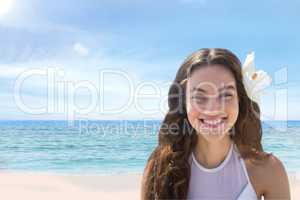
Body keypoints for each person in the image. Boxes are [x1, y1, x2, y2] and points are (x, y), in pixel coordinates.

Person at [141, 48, 290, 200]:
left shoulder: (268, 170)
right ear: (183, 102)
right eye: (199, 96)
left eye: (226, 95)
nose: (213, 109)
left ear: (240, 99)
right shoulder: (159, 167)